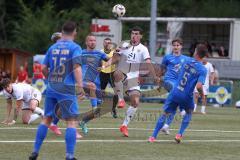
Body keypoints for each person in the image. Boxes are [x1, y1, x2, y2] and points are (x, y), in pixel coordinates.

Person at [29, 21, 84, 160]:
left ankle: (35, 151)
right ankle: (69, 156)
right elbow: (77, 68)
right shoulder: (75, 47)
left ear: (62, 31)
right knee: (71, 121)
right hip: (66, 87)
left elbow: (43, 68)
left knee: (46, 119)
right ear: (74, 32)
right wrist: (81, 86)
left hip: (52, 87)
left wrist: (50, 79)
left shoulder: (52, 47)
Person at [102, 26, 159, 137]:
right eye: (133, 33)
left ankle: (124, 126)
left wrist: (155, 76)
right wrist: (105, 65)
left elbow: (148, 63)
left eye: (137, 34)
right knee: (117, 73)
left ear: (141, 36)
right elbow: (115, 58)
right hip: (123, 73)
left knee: (135, 101)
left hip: (133, 78)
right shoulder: (124, 45)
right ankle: (121, 99)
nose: (134, 35)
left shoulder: (143, 49)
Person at [148, 43, 207, 143]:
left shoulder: (186, 61)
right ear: (204, 56)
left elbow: (177, 69)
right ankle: (179, 134)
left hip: (175, 91)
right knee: (189, 112)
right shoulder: (202, 69)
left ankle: (153, 137)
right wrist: (202, 95)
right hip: (186, 96)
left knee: (165, 113)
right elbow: (199, 86)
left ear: (196, 52)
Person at [79, 34, 110, 135]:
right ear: (86, 42)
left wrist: (104, 66)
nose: (93, 42)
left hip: (96, 84)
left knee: (100, 110)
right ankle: (53, 122)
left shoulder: (99, 53)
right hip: (84, 82)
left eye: (94, 41)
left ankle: (83, 122)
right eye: (90, 40)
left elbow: (110, 60)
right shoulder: (81, 53)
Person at [160, 38, 189, 135]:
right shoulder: (167, 57)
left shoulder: (186, 59)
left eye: (178, 45)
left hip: (178, 83)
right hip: (168, 81)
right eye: (174, 45)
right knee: (177, 92)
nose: (176, 47)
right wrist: (160, 79)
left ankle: (166, 126)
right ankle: (182, 110)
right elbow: (162, 69)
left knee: (173, 105)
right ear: (172, 47)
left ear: (181, 46)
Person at [99, 37, 118, 118]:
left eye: (109, 43)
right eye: (106, 42)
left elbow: (117, 61)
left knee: (116, 93)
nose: (107, 44)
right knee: (101, 92)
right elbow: (97, 62)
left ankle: (113, 109)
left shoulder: (114, 52)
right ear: (103, 43)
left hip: (112, 74)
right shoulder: (100, 52)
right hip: (102, 73)